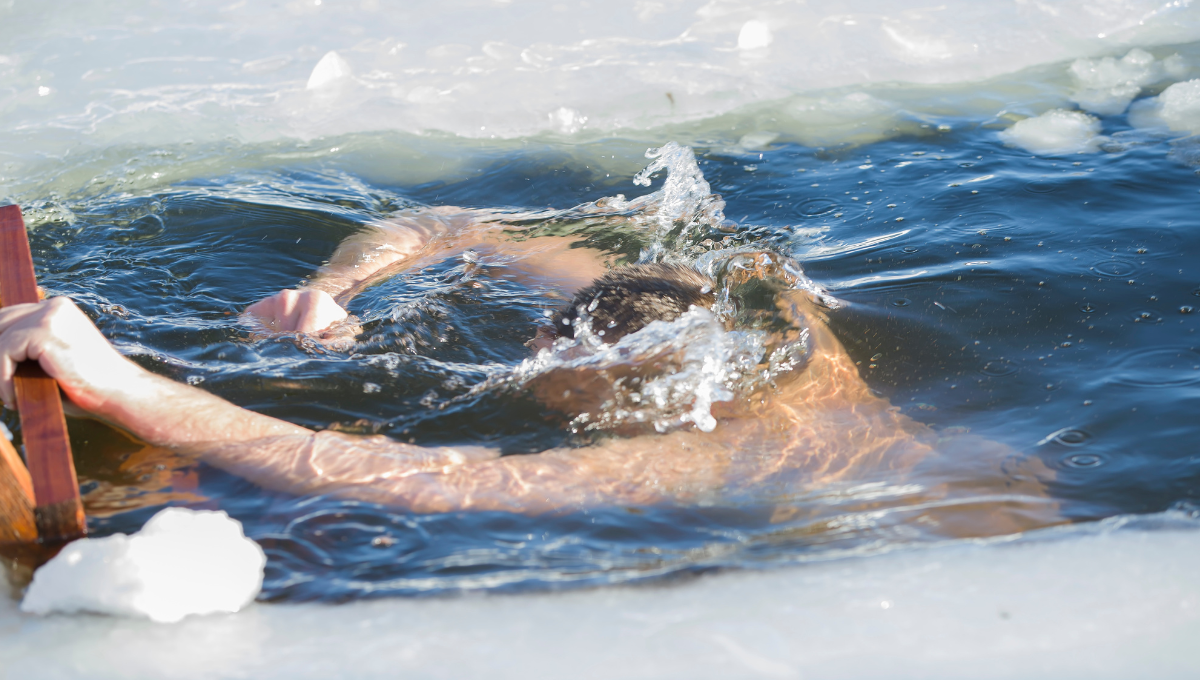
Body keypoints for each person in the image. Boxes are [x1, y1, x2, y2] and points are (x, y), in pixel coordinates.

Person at [0, 206, 1057, 535]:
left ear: (598, 381)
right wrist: (335, 289)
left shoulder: (729, 451)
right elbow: (451, 223)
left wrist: (118, 382)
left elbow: (400, 477)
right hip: (990, 463)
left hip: (965, 543)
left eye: (545, 373)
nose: (524, 361)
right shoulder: (735, 309)